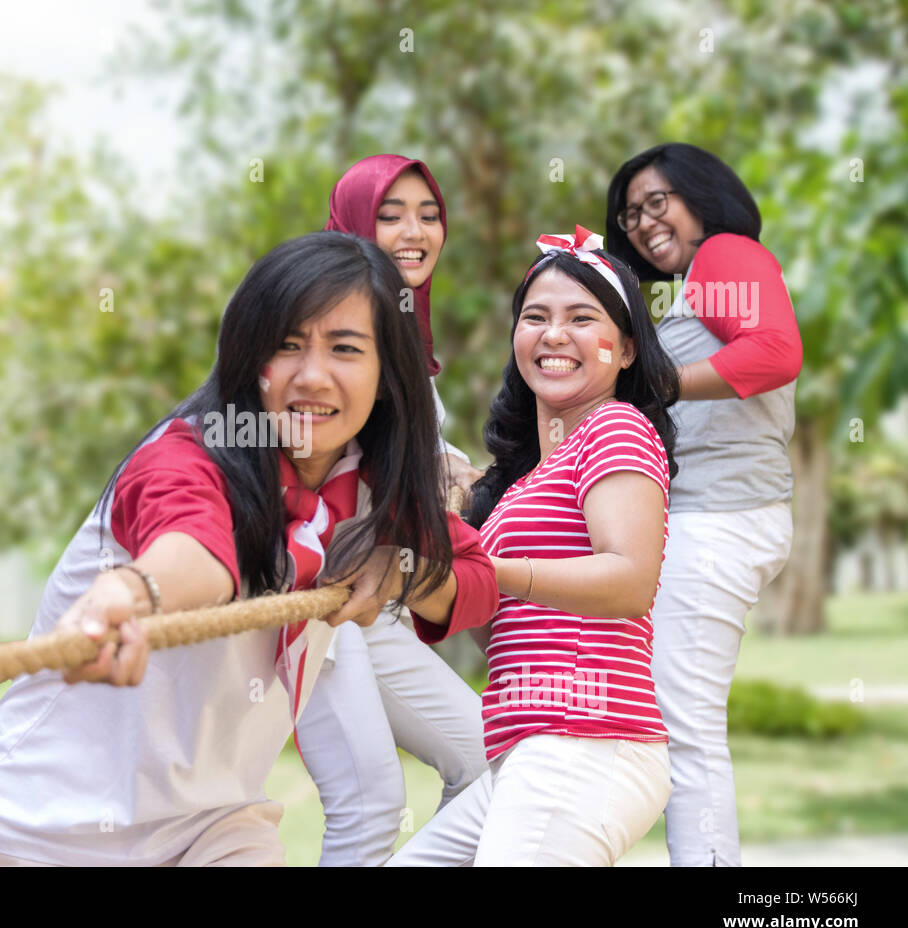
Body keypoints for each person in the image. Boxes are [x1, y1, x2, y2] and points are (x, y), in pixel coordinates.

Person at [0, 231, 499, 867]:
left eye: (345, 348)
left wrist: (399, 570)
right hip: (48, 829)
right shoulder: (185, 454)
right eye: (286, 346)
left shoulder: (377, 492)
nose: (311, 375)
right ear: (250, 360)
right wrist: (133, 592)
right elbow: (193, 544)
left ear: (386, 377)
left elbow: (476, 575)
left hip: (213, 825)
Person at [387, 226, 680, 866]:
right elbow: (504, 624)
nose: (552, 334)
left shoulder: (616, 426)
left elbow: (630, 581)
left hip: (586, 740)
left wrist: (489, 569)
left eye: (581, 318)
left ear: (626, 349)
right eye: (535, 317)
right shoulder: (527, 478)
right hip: (528, 749)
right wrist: (424, 574)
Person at [605, 143, 802, 867]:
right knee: (669, 723)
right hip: (709, 520)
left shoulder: (724, 252)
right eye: (631, 215)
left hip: (717, 518)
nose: (644, 223)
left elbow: (777, 351)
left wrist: (656, 385)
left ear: (702, 193)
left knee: (684, 730)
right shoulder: (696, 280)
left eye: (658, 201)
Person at [293, 154, 491, 867]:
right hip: (318, 600)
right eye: (390, 214)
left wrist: (450, 472)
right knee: (371, 808)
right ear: (351, 223)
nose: (415, 231)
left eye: (429, 214)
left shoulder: (410, 344)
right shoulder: (320, 325)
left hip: (381, 609)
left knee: (491, 764)